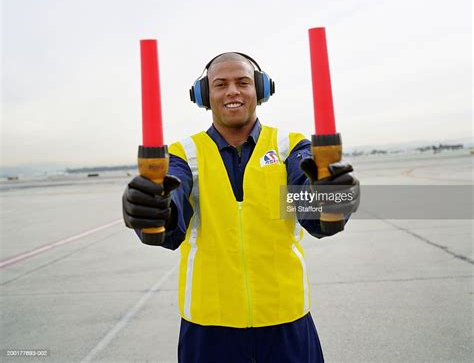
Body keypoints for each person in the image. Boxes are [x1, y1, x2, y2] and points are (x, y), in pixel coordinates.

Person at [122, 52, 360, 363]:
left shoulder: (289, 148)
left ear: (260, 90)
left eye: (243, 82)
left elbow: (309, 205)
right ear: (204, 95)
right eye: (220, 84)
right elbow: (171, 205)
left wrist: (337, 198)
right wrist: (151, 207)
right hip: (209, 327)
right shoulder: (184, 155)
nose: (232, 91)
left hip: (285, 320)